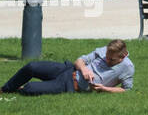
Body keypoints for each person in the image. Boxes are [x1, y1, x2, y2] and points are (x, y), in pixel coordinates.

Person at [3, 39, 134, 95]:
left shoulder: (127, 67)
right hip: (68, 69)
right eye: (106, 55)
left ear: (121, 57)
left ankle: (21, 89)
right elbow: (80, 60)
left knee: (30, 88)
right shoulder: (106, 50)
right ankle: (5, 89)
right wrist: (84, 69)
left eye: (111, 59)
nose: (107, 59)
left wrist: (104, 89)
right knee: (31, 66)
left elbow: (126, 90)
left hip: (71, 85)